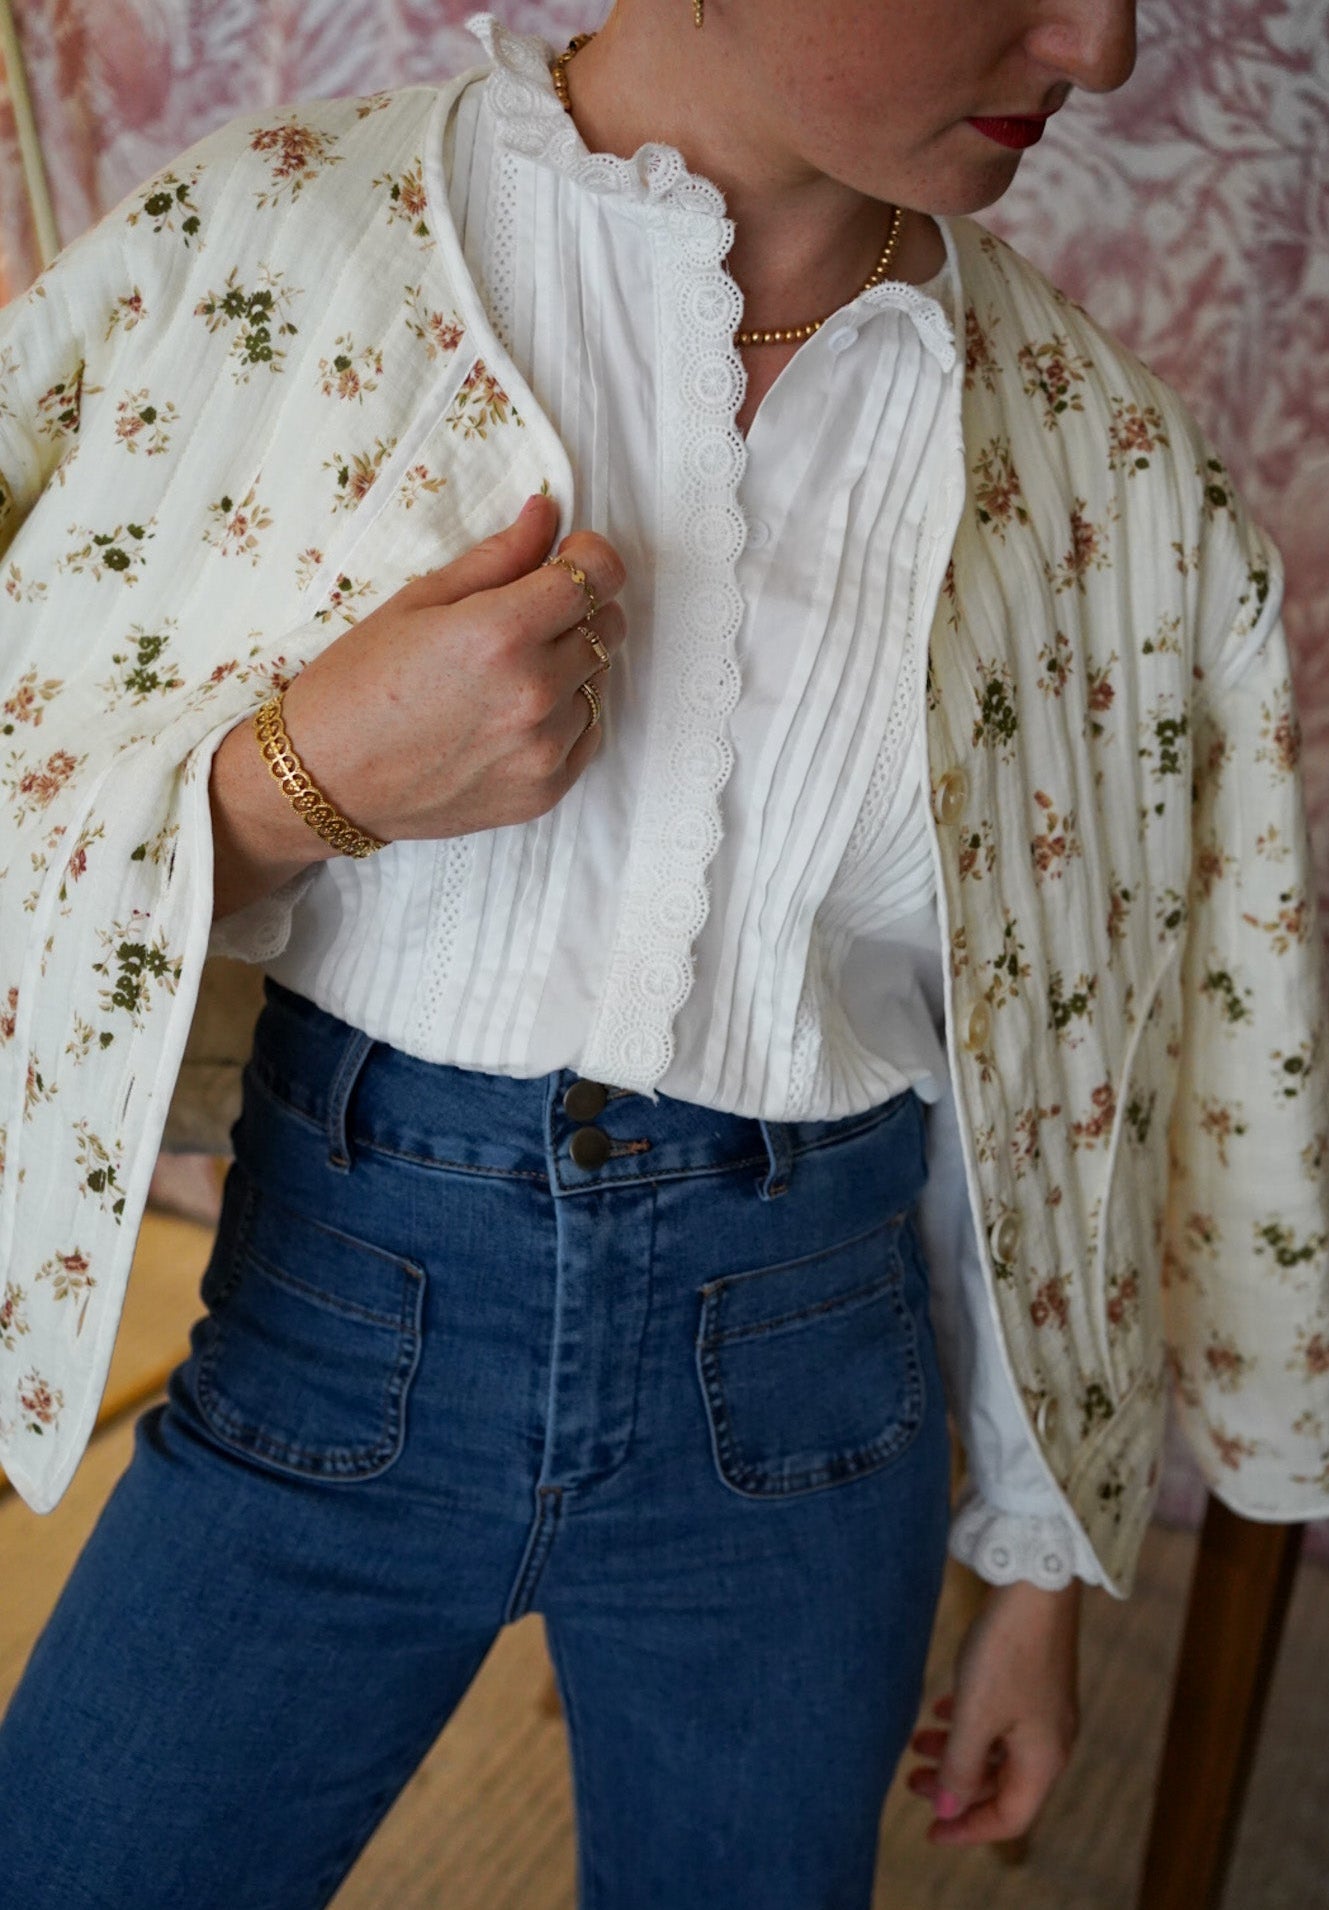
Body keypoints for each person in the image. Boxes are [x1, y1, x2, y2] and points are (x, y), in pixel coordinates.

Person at [0, 3, 1325, 1905]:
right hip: (331, 1329)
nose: (1099, 49)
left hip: (803, 1403)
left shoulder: (1109, 482)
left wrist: (1034, 1559)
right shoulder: (270, 254)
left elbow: (1062, 1076)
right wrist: (293, 779)